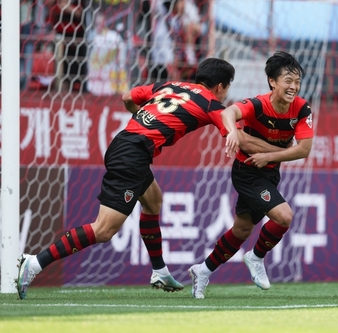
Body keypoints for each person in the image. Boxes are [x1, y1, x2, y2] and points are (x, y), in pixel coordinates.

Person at [15, 58, 283, 300]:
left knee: (153, 200)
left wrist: (142, 118)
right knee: (104, 229)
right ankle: (35, 263)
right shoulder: (210, 103)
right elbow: (242, 139)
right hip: (132, 155)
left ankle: (159, 271)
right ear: (222, 86)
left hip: (126, 143)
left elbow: (128, 96)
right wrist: (283, 151)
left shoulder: (169, 85)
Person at [188, 51, 314, 299]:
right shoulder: (258, 104)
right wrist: (233, 133)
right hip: (247, 173)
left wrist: (268, 156)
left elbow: (304, 150)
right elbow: (227, 113)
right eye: (288, 81)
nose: (293, 87)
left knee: (241, 231)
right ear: (272, 82)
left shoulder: (301, 108)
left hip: (268, 172)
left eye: (297, 82)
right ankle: (256, 258)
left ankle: (202, 271)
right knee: (283, 216)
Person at [47, 0, 88, 92]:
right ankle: (61, 88)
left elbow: (80, 14)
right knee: (61, 64)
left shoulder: (78, 2)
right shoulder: (57, 3)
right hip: (60, 36)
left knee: (74, 65)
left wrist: (67, 8)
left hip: (75, 37)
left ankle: (74, 89)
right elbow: (53, 11)